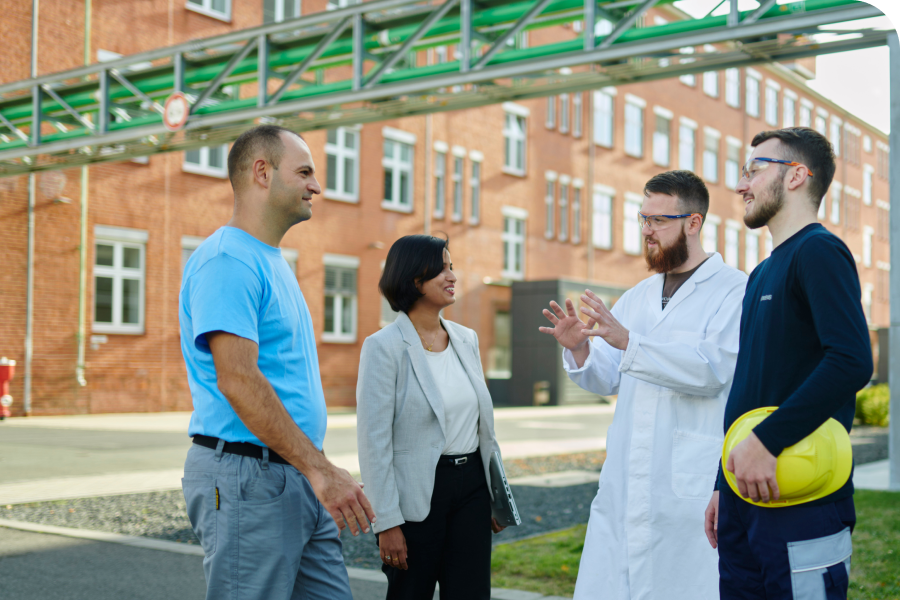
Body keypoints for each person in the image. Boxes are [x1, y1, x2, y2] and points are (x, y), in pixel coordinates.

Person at [179, 125, 375, 600]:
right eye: (304, 172)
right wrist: (322, 471)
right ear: (262, 173)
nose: (316, 186)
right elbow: (238, 380)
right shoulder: (228, 261)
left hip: (293, 476)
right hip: (250, 479)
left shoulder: (270, 262)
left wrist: (316, 470)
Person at [540, 170, 748, 599]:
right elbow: (608, 376)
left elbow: (711, 371)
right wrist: (578, 349)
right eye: (643, 219)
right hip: (625, 485)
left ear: (694, 222)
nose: (647, 232)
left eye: (658, 221)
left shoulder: (733, 291)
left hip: (686, 488)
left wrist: (629, 340)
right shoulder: (638, 295)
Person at [704, 127, 873, 599]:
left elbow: (852, 361)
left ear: (797, 175)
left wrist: (766, 441)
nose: (742, 185)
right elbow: (750, 386)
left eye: (754, 170)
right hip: (745, 495)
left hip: (802, 493)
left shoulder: (819, 252)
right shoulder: (761, 272)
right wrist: (724, 479)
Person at [356, 234, 506, 600]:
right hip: (416, 496)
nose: (452, 275)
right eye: (441, 268)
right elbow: (374, 443)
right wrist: (386, 522)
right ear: (412, 277)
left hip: (471, 486)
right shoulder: (383, 347)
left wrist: (497, 494)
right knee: (411, 594)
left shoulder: (466, 339)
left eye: (452, 267)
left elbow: (483, 426)